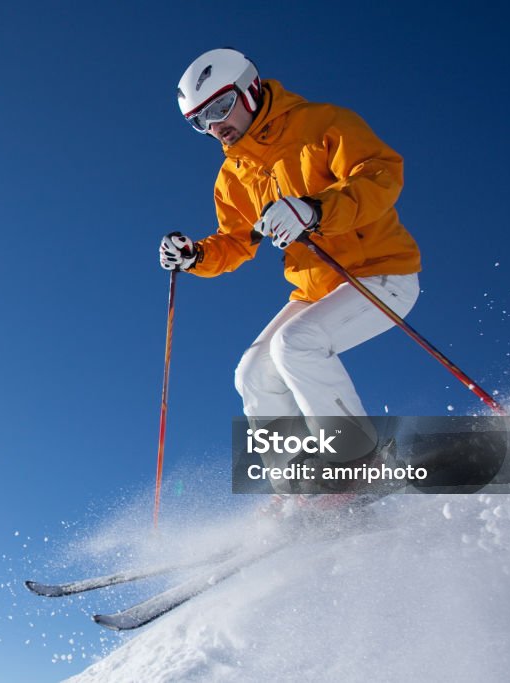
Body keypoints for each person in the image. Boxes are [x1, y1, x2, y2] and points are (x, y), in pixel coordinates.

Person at [159, 48, 421, 496]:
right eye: (200, 122)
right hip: (314, 290)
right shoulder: (233, 177)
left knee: (296, 345)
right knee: (252, 374)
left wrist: (316, 210)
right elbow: (236, 242)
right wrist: (195, 256)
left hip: (380, 273)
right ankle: (299, 488)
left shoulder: (321, 124)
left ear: (251, 88)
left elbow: (381, 175)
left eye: (220, 108)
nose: (215, 126)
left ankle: (359, 464)